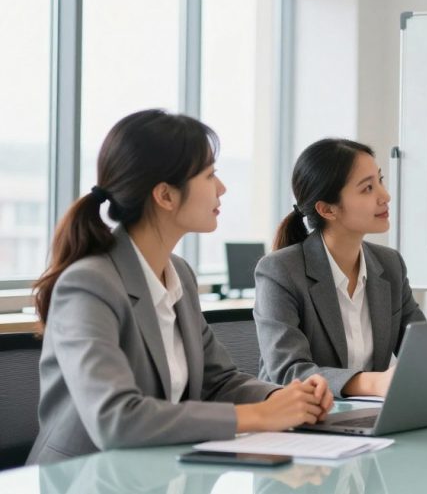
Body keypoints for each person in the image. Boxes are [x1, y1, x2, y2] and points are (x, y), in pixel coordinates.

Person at [28, 110, 333, 465]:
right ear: (165, 196)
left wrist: (286, 399)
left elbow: (218, 383)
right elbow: (115, 419)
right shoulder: (88, 284)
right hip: (80, 478)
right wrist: (259, 417)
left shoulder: (179, 275)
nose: (222, 188)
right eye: (209, 175)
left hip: (155, 471)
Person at [254, 138, 425, 398]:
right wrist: (372, 384)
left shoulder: (390, 265)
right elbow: (288, 371)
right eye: (368, 188)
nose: (385, 196)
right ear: (327, 209)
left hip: (369, 420)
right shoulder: (280, 271)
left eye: (380, 181)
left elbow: (422, 351)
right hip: (299, 422)